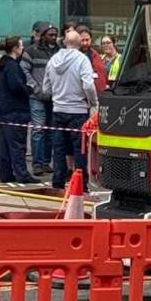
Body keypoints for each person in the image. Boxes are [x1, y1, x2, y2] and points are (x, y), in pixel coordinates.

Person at [44, 28, 98, 189]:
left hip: (58, 109)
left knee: (59, 148)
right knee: (79, 149)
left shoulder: (53, 60)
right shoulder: (82, 60)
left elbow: (46, 88)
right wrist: (93, 102)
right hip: (78, 110)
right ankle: (80, 183)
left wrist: (58, 93)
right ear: (80, 42)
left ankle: (58, 181)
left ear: (65, 42)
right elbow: (88, 85)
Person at [0, 36, 40, 186]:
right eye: (20, 46)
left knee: (5, 144)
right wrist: (28, 89)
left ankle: (6, 173)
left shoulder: (3, 64)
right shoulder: (13, 66)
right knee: (17, 144)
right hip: (15, 110)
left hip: (4, 109)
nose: (22, 49)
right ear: (15, 48)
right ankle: (22, 173)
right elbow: (16, 86)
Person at [23, 22, 59, 177]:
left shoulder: (59, 51)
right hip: (36, 97)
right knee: (38, 129)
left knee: (50, 131)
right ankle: (37, 164)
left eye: (55, 35)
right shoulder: (31, 51)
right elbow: (24, 70)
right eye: (50, 35)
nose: (53, 37)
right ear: (43, 35)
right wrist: (35, 87)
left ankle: (45, 162)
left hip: (53, 97)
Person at [77, 25, 108, 93]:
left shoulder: (95, 55)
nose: (85, 43)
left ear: (91, 39)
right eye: (82, 40)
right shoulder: (72, 57)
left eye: (87, 40)